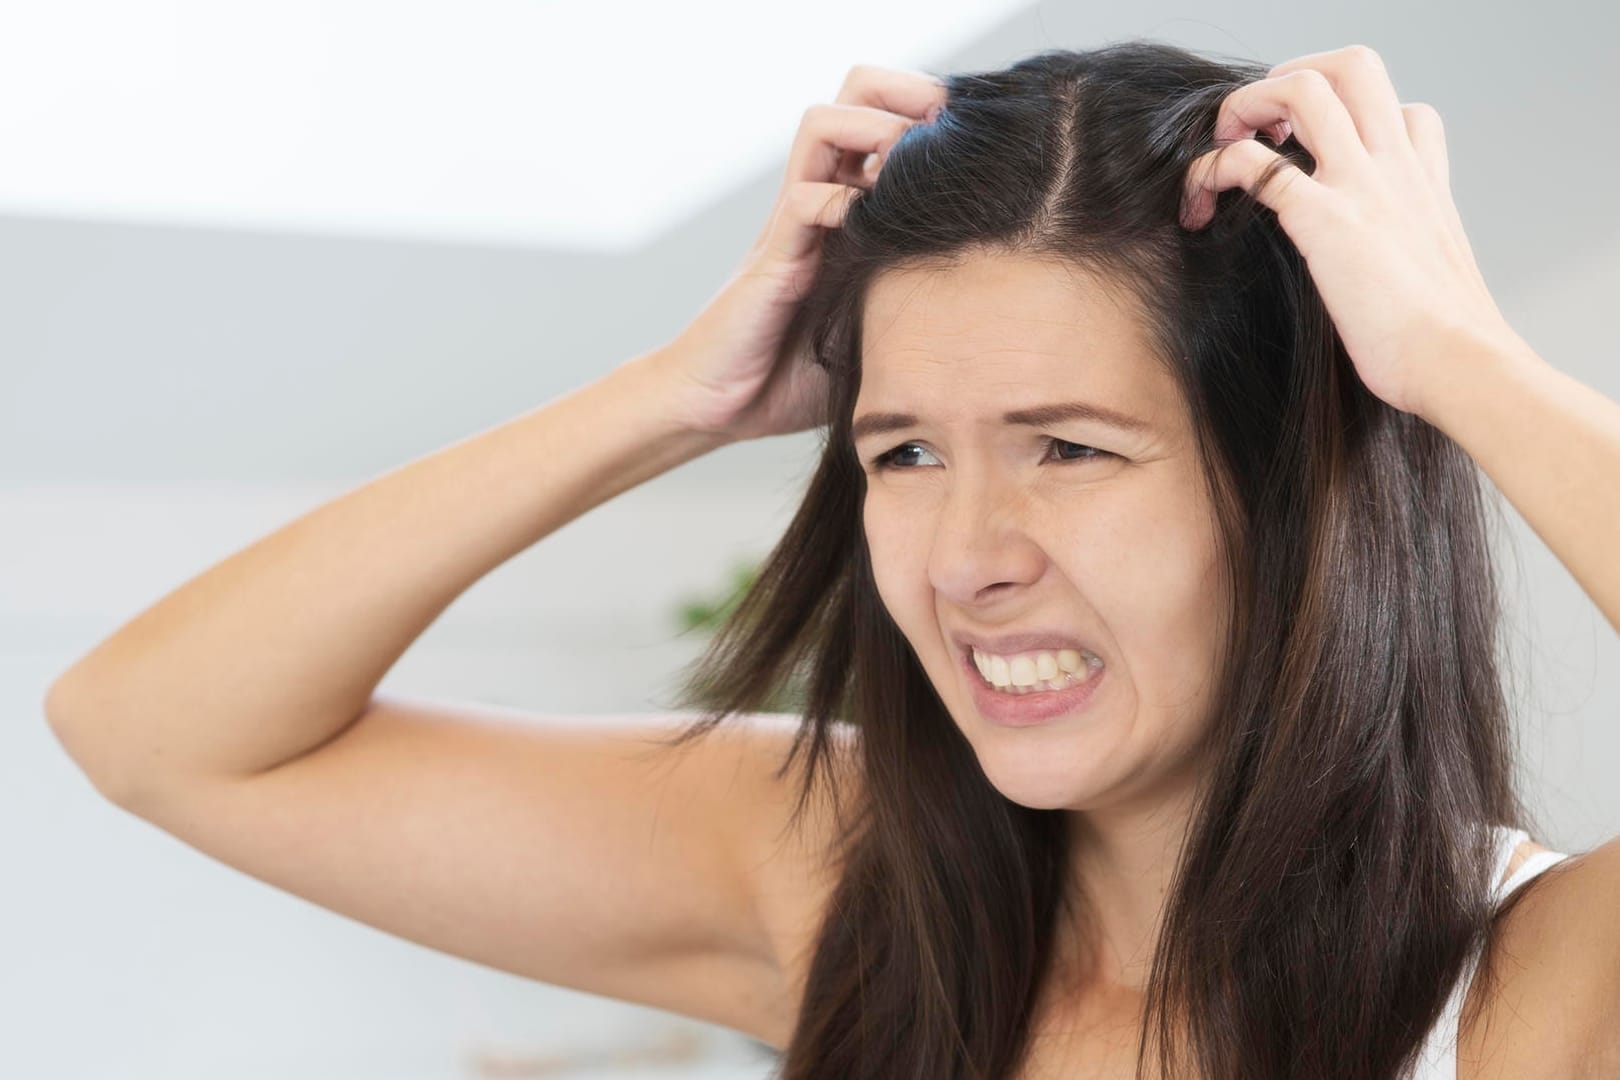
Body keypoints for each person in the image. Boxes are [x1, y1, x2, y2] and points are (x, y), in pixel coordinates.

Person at [44, 39, 1620, 1080]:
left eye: (1070, 448)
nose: (966, 561)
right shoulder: (836, 885)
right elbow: (155, 731)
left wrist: (1458, 363)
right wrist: (668, 398)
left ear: (1293, 493)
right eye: (905, 452)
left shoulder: (1530, 990)